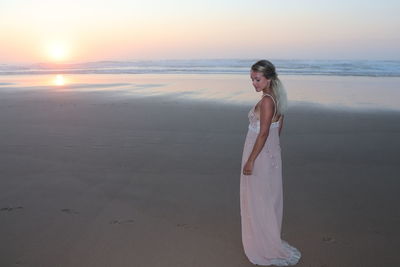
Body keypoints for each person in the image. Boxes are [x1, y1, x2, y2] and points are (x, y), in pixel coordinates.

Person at [240, 60, 301, 266]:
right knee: (266, 197)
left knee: (259, 198)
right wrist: (271, 151)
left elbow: (264, 132)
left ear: (268, 78)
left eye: (257, 79)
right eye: (252, 79)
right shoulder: (277, 97)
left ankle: (263, 244)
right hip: (268, 154)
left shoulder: (267, 101)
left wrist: (251, 160)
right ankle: (265, 238)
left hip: (258, 154)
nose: (254, 83)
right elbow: (278, 127)